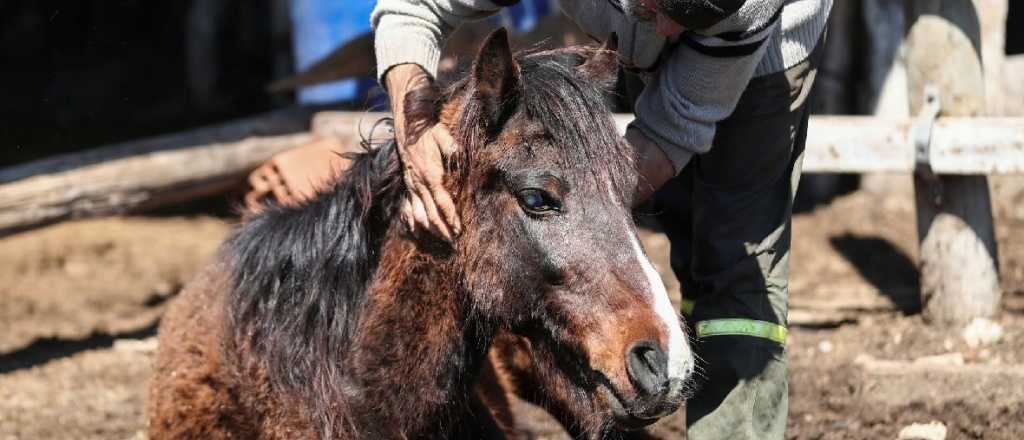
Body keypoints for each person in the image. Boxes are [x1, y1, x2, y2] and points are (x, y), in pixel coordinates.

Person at [248, 0, 831, 438]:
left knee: (735, 267)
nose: (670, 35)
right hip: (621, 25)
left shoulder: (749, 10)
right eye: (657, 9)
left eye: (686, 22)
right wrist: (416, 133)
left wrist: (575, 204)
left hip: (760, 61)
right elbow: (411, 7)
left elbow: (677, 125)